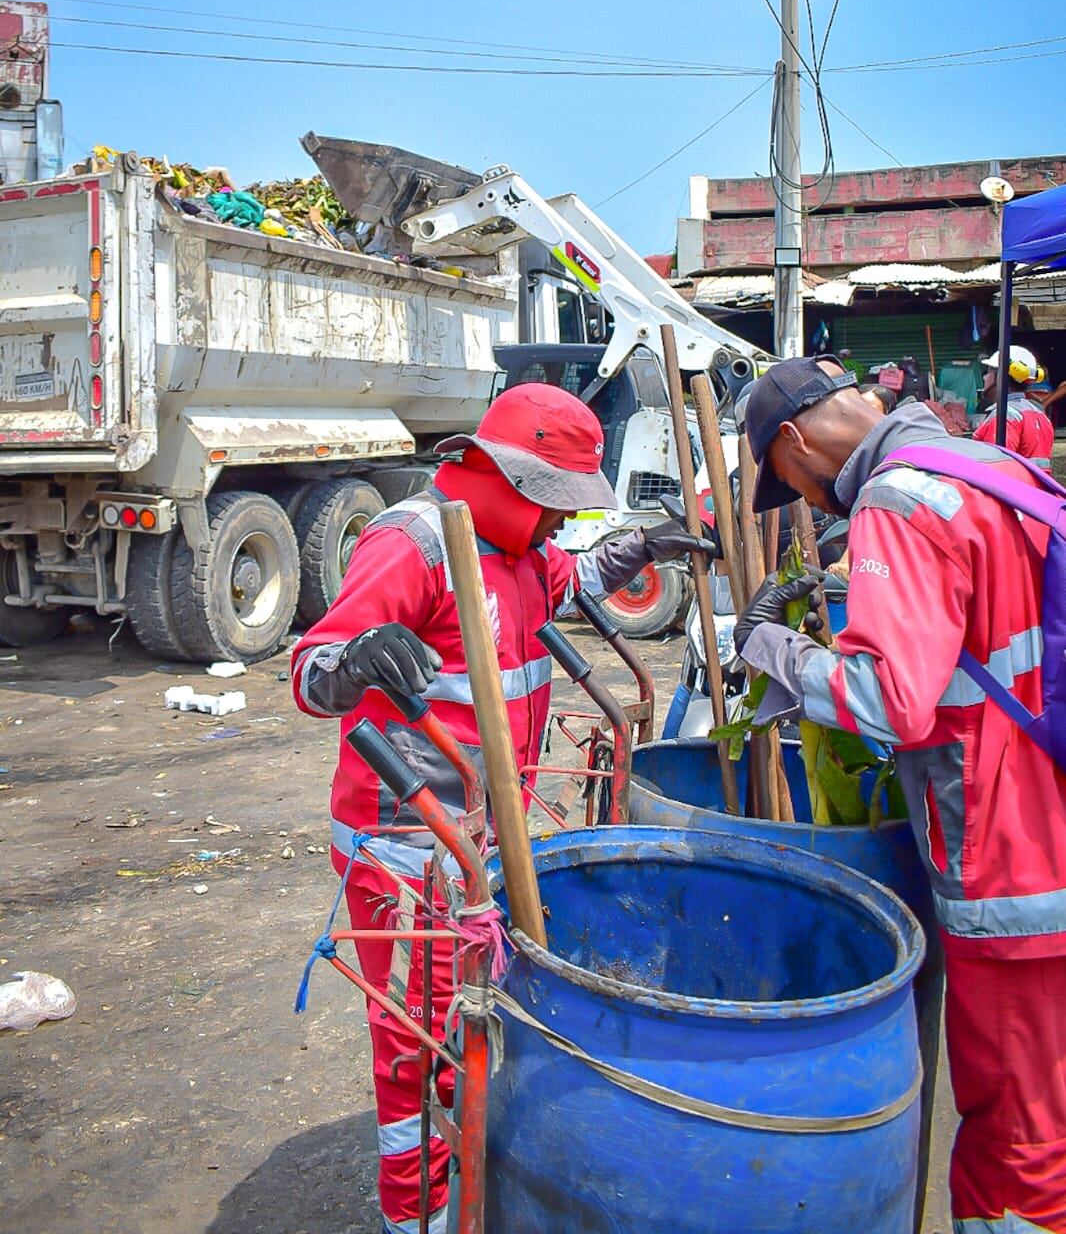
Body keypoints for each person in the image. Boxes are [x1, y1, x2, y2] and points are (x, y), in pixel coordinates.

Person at [291, 382, 712, 1234]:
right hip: (407, 847)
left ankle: (473, 1185)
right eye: (557, 503)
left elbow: (569, 580)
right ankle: (414, 1216)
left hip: (486, 837)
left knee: (474, 1024)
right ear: (510, 480)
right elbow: (309, 672)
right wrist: (359, 657)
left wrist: (640, 547)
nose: (564, 522)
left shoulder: (521, 550)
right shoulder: (411, 544)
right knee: (415, 1045)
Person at [732, 355, 1066, 1234]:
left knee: (1016, 1139)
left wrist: (770, 646)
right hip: (1051, 816)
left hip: (1009, 861)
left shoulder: (894, 499)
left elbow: (889, 700)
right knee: (1051, 1107)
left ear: (795, 441)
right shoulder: (987, 464)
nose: (809, 499)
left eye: (790, 480)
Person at [973, 346, 1054, 468]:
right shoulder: (1040, 416)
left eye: (988, 371)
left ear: (1000, 376)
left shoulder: (1004, 417)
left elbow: (998, 468)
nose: (984, 377)